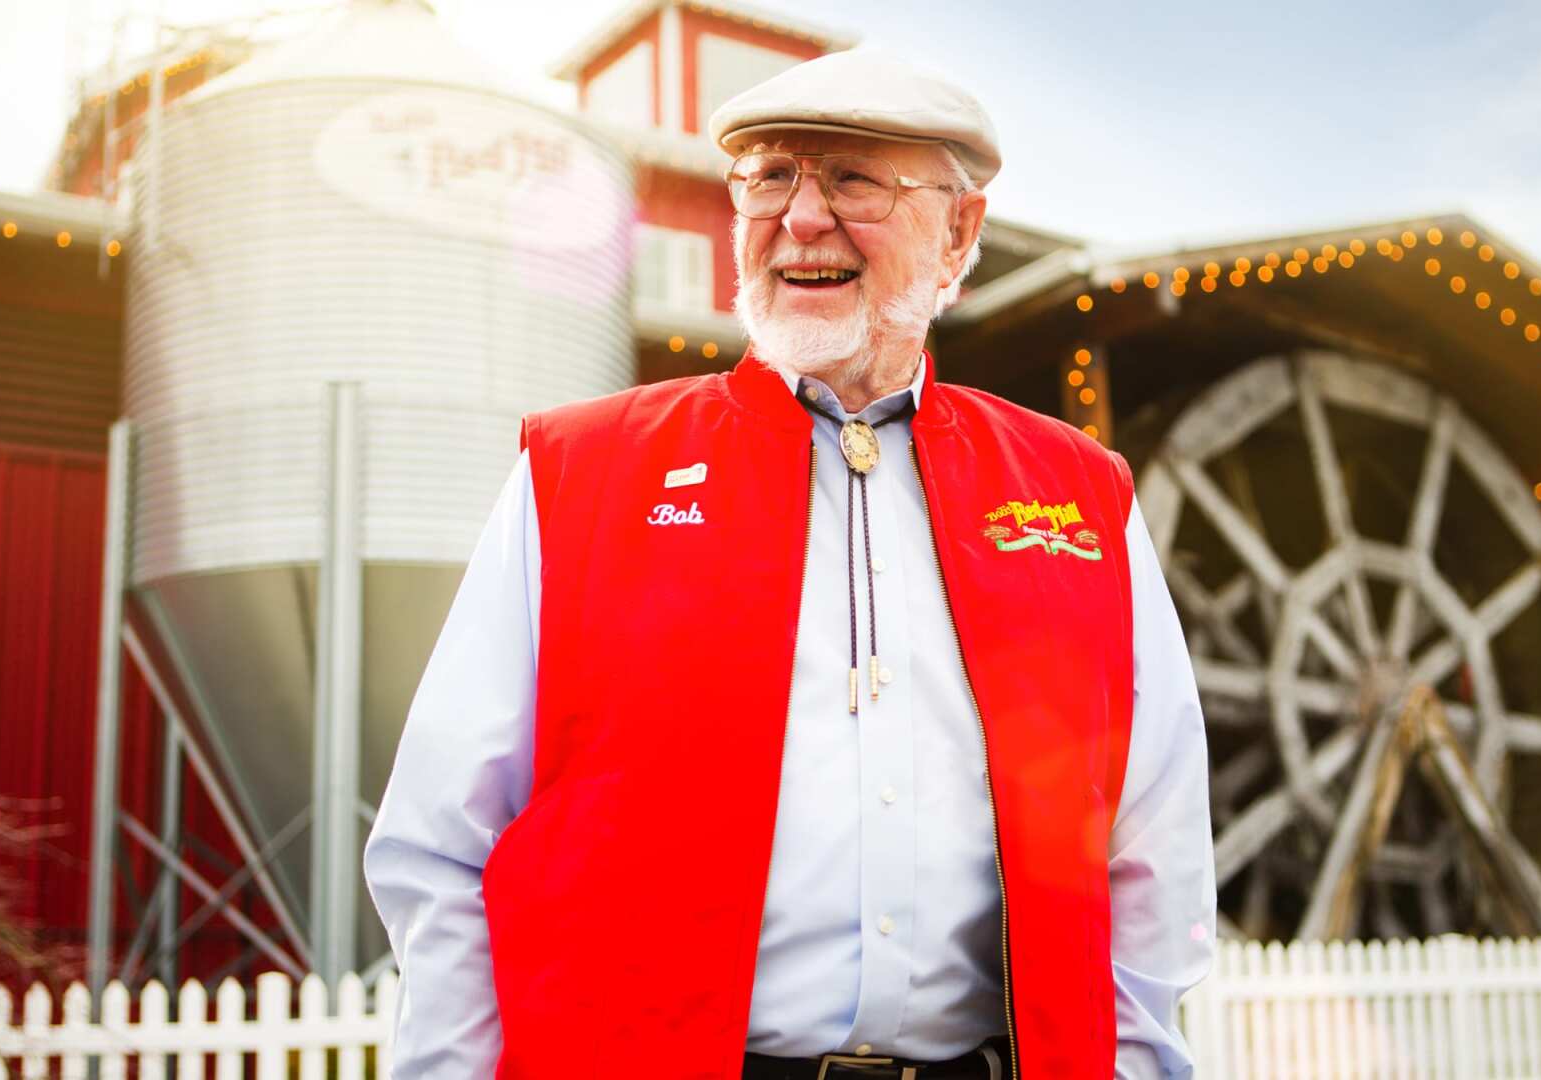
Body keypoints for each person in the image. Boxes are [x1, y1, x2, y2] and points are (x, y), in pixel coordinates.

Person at [364, 48, 1216, 1080]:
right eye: (769, 177)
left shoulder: (1079, 493)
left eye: (853, 178)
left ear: (960, 232)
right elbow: (439, 846)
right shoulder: (577, 474)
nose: (802, 217)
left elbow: (1152, 850)